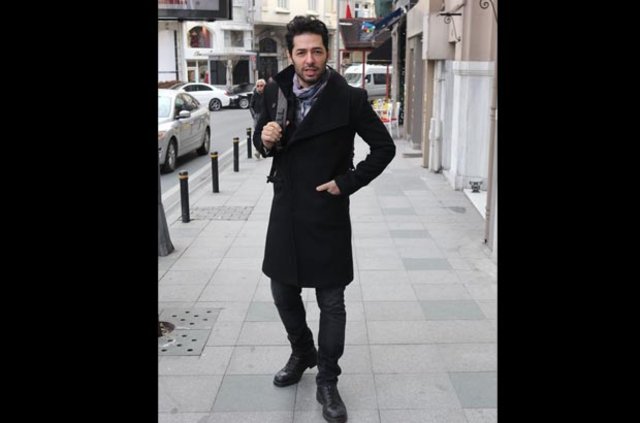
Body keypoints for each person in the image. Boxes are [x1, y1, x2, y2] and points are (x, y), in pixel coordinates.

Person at [253, 15, 395, 423]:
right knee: (282, 291)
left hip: (327, 212)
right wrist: (263, 138)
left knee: (331, 301)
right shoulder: (276, 91)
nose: (309, 59)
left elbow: (383, 148)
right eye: (302, 52)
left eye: (316, 51)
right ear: (290, 54)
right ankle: (302, 351)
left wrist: (346, 183)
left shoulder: (349, 98)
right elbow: (263, 140)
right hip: (286, 209)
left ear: (327, 52)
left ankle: (328, 380)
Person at [250, 79, 266, 159]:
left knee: (264, 134)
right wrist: (254, 115)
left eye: (261, 86)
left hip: (265, 117)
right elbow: (251, 106)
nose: (259, 87)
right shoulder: (254, 95)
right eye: (258, 86)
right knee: (257, 134)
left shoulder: (267, 94)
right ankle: (258, 150)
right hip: (257, 116)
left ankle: (262, 149)